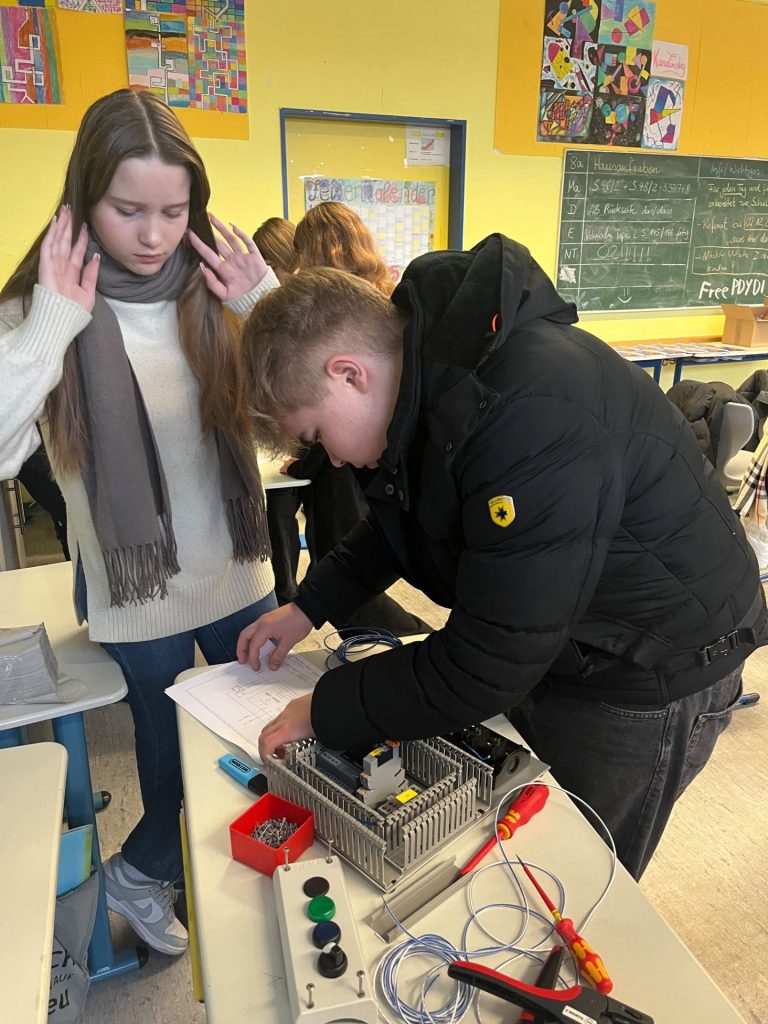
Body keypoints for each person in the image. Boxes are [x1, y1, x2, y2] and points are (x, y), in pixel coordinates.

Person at [236, 234, 768, 880]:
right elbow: (403, 520)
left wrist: (323, 709)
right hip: (568, 633)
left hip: (654, 662)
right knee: (508, 833)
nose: (336, 461)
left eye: (318, 435)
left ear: (350, 373)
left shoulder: (527, 413)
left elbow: (486, 662)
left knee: (565, 877)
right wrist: (308, 606)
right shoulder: (431, 377)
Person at [0, 88, 278, 955]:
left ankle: (197, 888)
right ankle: (142, 872)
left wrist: (265, 304)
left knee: (268, 753)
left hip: (241, 574)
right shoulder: (45, 304)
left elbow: (301, 415)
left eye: (173, 211)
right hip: (141, 597)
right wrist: (51, 326)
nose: (154, 235)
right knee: (171, 770)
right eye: (128, 211)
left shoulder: (217, 288)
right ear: (84, 197)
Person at [287, 201, 430, 635]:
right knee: (356, 556)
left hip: (355, 463)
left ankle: (400, 638)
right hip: (375, 456)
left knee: (348, 557)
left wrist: (306, 460)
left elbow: (332, 404)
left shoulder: (333, 310)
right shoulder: (380, 294)